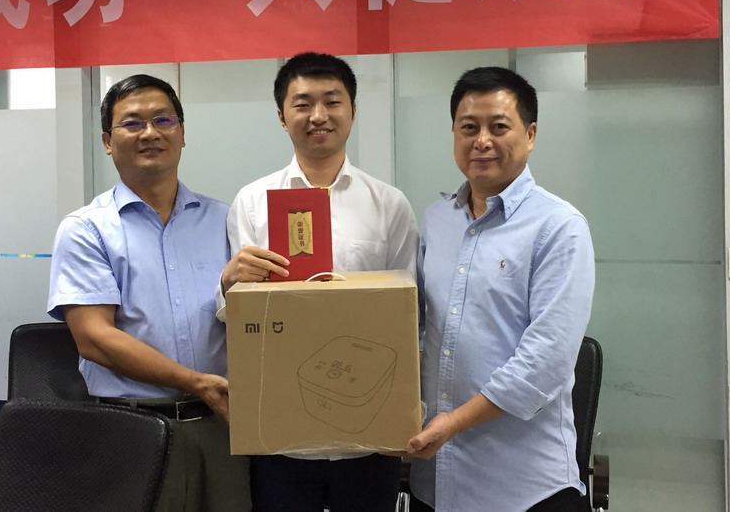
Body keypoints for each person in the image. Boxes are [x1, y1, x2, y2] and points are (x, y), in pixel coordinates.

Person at [218, 52, 419, 512]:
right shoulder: (252, 202)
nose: (318, 115)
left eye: (332, 101)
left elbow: (408, 317)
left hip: (369, 437)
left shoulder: (389, 204)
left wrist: (403, 413)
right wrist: (231, 282)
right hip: (280, 432)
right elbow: (239, 316)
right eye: (303, 103)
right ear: (281, 116)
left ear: (353, 110)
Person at [48, 74, 251, 512]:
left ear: (182, 133)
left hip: (220, 425)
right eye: (132, 123)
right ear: (107, 141)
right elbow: (94, 338)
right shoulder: (86, 229)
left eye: (163, 120)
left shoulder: (226, 221)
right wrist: (196, 382)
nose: (150, 133)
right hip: (129, 428)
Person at [406, 67, 595, 512]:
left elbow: (545, 361)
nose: (482, 141)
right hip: (435, 480)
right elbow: (414, 327)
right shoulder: (436, 220)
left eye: (499, 126)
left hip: (523, 486)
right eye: (469, 127)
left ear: (530, 134)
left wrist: (453, 423)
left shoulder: (558, 227)